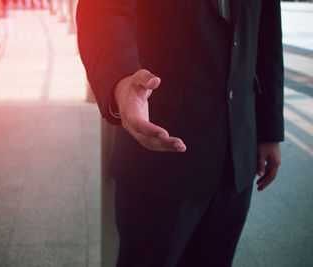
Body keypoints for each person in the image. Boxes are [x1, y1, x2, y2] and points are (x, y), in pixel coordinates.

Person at [76, 0, 284, 266]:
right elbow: (104, 8)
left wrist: (269, 129)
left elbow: (268, 32)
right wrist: (119, 78)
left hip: (236, 153)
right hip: (162, 154)